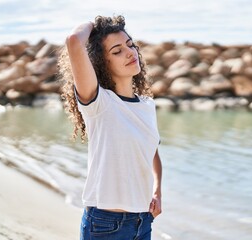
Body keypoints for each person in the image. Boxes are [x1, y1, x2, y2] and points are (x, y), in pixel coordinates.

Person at [58, 15, 162, 240]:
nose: (129, 52)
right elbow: (74, 40)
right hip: (105, 224)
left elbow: (152, 151)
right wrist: (96, 25)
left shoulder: (147, 105)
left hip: (143, 220)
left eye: (130, 44)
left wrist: (157, 191)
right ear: (100, 63)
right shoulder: (98, 103)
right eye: (116, 51)